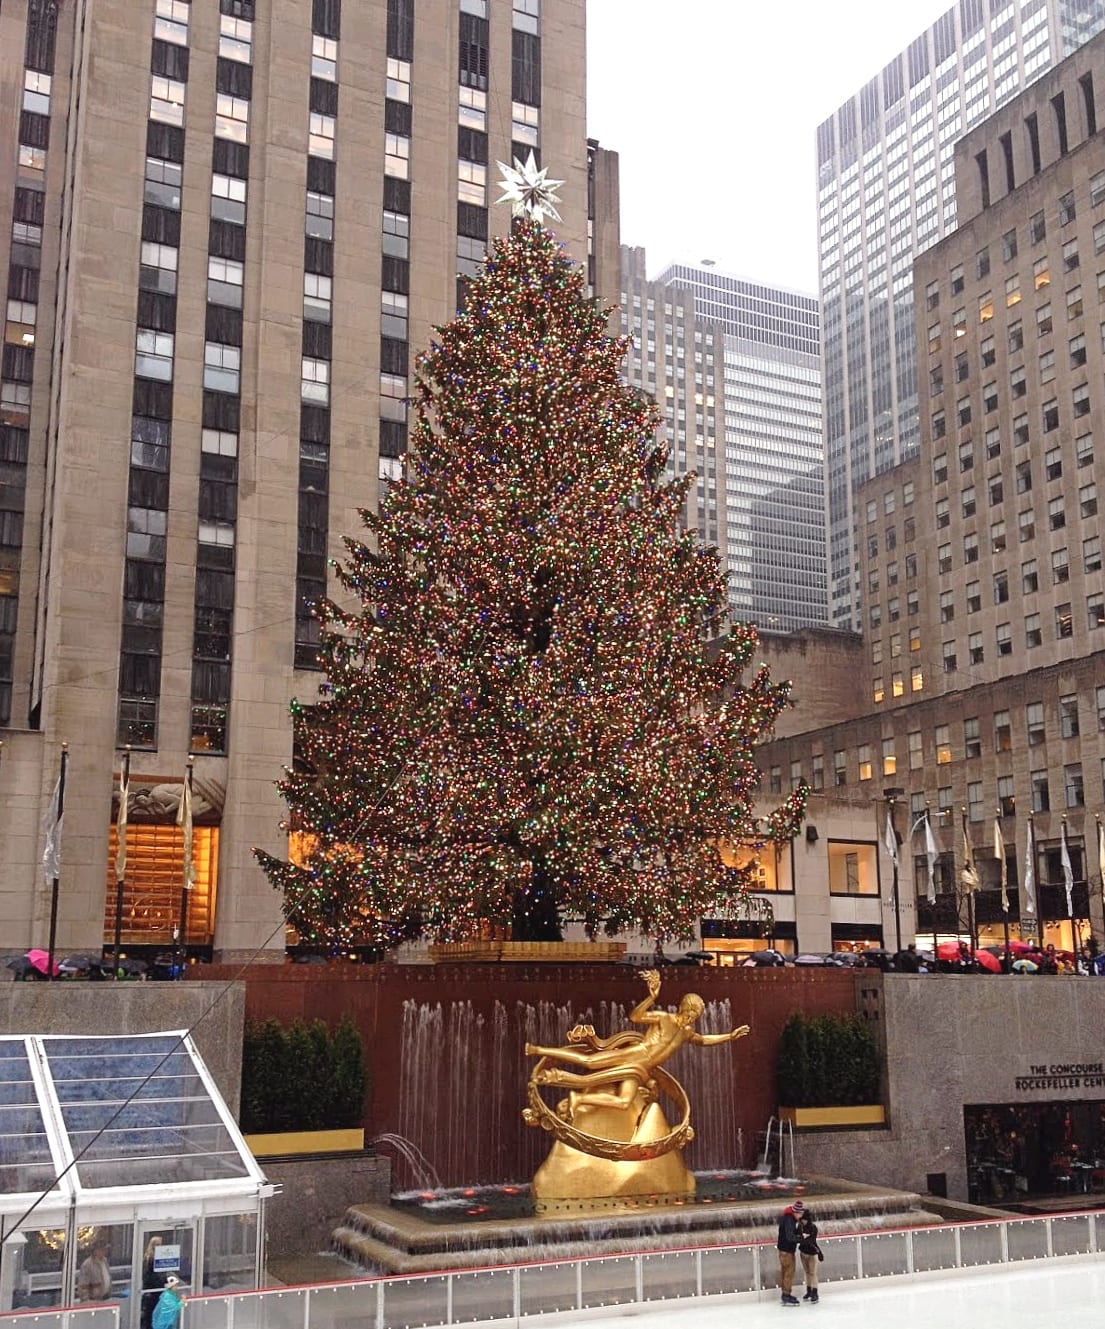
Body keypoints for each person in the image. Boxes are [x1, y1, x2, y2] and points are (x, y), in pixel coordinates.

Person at [525, 968, 748, 1109]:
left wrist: (729, 1036)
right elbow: (636, 1016)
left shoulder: (686, 1032)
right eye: (692, 1012)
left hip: (641, 1069)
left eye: (696, 1015)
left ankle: (579, 1099)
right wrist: (651, 998)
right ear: (685, 1007)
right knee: (590, 1062)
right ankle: (539, 1050)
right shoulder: (664, 1018)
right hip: (635, 1053)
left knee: (623, 1102)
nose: (693, 1017)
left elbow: (703, 1041)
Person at [776, 1199, 804, 1306]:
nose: (801, 1216)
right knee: (789, 1272)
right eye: (800, 1214)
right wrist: (801, 1238)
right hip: (786, 1250)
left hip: (784, 1249)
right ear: (796, 1212)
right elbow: (790, 1236)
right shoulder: (789, 1220)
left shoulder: (789, 1218)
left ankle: (785, 1293)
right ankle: (786, 1295)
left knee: (785, 1272)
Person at [797, 1208, 823, 1303]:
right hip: (803, 1253)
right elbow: (797, 1238)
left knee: (813, 1273)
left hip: (812, 1253)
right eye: (801, 1220)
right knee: (807, 1272)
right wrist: (802, 1237)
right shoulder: (800, 1227)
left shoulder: (813, 1228)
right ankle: (809, 1291)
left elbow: (812, 1240)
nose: (803, 1221)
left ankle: (815, 1292)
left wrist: (803, 1238)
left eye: (804, 1219)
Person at [140, 1237, 167, 1329]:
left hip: (158, 1289)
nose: (160, 1247)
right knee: (151, 1313)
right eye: (158, 1245)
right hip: (152, 1290)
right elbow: (148, 1275)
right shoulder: (150, 1259)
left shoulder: (157, 1258)